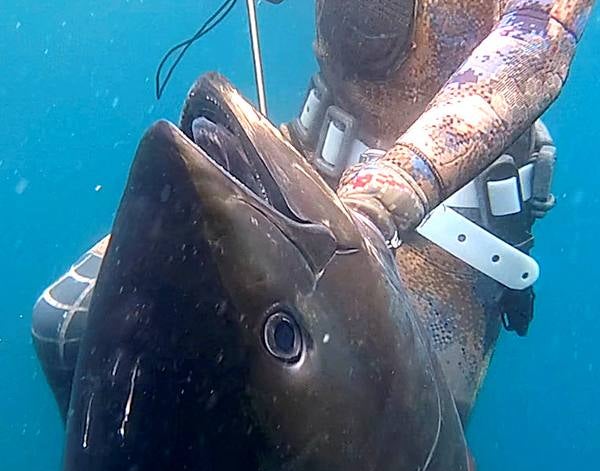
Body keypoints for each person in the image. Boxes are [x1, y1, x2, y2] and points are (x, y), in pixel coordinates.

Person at [33, 0, 594, 421]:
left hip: (441, 244)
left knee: (352, 435)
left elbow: (533, 43)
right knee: (67, 327)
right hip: (307, 170)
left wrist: (392, 190)